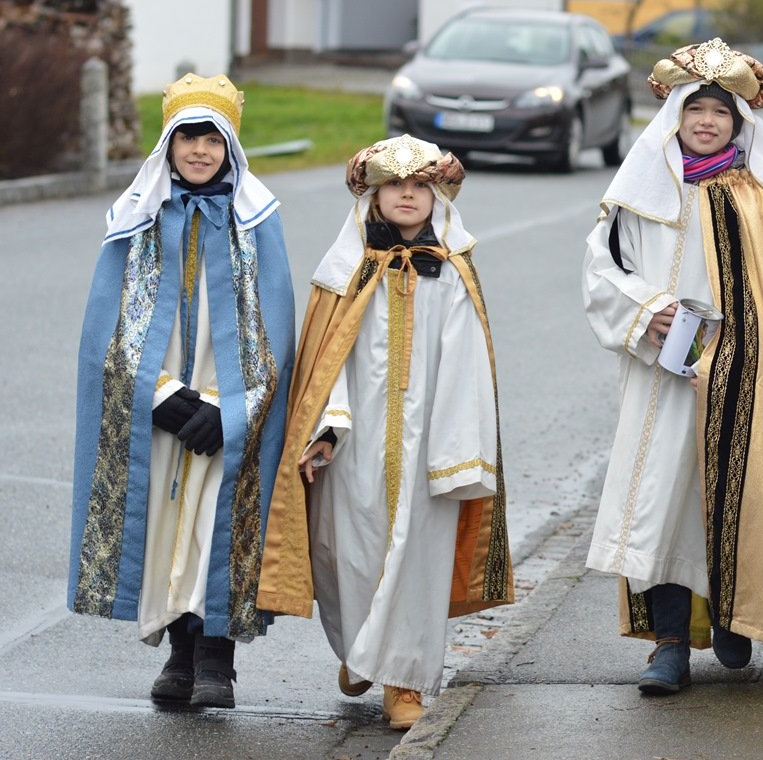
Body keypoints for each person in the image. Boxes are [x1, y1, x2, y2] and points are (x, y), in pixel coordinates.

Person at [255, 134, 513, 730]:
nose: (407, 195)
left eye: (420, 186)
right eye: (394, 185)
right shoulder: (343, 272)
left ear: (436, 196)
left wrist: (456, 450)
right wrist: (326, 429)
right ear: (372, 197)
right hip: (355, 441)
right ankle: (360, 649)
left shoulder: (452, 272)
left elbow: (466, 361)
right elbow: (326, 363)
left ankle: (405, 684)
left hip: (429, 442)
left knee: (415, 557)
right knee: (346, 549)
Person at [582, 39, 763, 695]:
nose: (707, 121)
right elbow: (602, 268)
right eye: (696, 110)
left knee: (736, 490)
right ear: (676, 116)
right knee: (659, 504)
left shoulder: (752, 198)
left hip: (741, 375)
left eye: (720, 112)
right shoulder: (640, 189)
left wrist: (750, 352)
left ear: (738, 125)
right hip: (662, 376)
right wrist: (646, 311)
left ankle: (737, 614)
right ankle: (669, 645)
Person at [68, 73, 295, 709]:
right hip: (160, 408)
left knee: (215, 524)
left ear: (230, 147)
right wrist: (160, 395)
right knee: (167, 525)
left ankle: (216, 659)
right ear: (168, 144)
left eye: (212, 139)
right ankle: (178, 653)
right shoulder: (137, 218)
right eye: (187, 136)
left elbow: (273, 326)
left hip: (230, 407)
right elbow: (108, 325)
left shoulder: (257, 219)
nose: (199, 150)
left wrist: (231, 406)